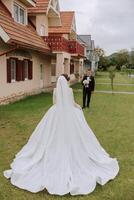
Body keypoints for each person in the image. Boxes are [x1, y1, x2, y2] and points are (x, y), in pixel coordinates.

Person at [4, 74, 119, 196]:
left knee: (50, 134)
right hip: (69, 114)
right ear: (66, 82)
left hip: (55, 113)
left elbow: (55, 102)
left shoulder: (55, 91)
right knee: (74, 135)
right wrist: (78, 107)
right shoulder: (69, 90)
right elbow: (72, 103)